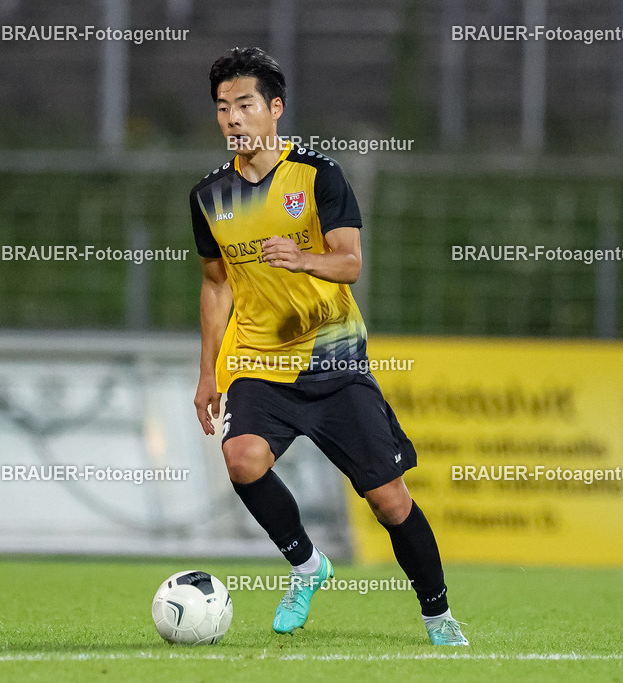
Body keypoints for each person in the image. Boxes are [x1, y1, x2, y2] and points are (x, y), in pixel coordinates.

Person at [190, 47, 468, 646]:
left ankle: (438, 615)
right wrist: (208, 373)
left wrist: (302, 257)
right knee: (241, 459)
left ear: (275, 109)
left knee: (389, 501)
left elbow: (351, 263)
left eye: (244, 104)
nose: (233, 118)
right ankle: (307, 565)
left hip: (336, 366)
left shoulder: (319, 176)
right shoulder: (209, 197)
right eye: (222, 108)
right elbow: (215, 286)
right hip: (261, 366)